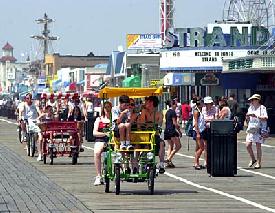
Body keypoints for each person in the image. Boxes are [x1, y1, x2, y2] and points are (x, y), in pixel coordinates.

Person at [139, 96, 165, 173]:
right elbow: (143, 122)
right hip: (145, 135)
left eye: (147, 102)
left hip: (154, 134)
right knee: (146, 145)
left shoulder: (159, 113)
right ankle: (144, 162)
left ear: (151, 103)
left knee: (161, 143)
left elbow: (159, 124)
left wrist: (153, 125)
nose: (145, 103)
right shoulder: (144, 111)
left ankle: (161, 164)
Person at [245, 94, 268, 169]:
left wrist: (256, 116)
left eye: (253, 100)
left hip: (259, 128)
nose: (251, 101)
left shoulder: (262, 108)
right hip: (251, 128)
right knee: (248, 145)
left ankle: (258, 163)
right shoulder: (250, 107)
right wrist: (247, 117)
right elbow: (248, 118)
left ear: (257, 100)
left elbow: (265, 118)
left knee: (258, 145)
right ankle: (253, 159)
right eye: (251, 100)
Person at [93, 101, 112, 186]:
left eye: (109, 107)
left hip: (112, 140)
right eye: (106, 107)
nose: (107, 109)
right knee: (97, 152)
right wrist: (105, 134)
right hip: (101, 139)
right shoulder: (99, 119)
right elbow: (94, 132)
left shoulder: (115, 118)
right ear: (103, 109)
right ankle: (98, 176)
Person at [18, 93, 41, 160]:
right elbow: (21, 110)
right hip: (27, 119)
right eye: (27, 98)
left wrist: (40, 115)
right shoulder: (24, 104)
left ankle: (35, 144)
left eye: (30, 98)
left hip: (34, 120)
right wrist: (20, 116)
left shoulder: (34, 104)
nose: (29, 100)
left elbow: (38, 110)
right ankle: (24, 133)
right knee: (23, 122)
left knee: (36, 133)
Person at [164, 99, 182, 168]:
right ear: (172, 104)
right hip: (171, 130)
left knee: (170, 146)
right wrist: (179, 131)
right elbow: (175, 123)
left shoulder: (167, 112)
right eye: (175, 104)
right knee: (178, 146)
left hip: (167, 130)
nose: (176, 105)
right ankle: (169, 158)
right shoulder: (173, 112)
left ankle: (169, 162)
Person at [201, 96, 218, 168]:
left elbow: (216, 119)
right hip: (205, 129)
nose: (208, 104)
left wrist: (209, 120)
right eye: (207, 103)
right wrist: (210, 120)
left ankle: (214, 160)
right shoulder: (203, 109)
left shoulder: (215, 108)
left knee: (213, 145)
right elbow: (203, 120)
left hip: (213, 128)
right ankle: (206, 161)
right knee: (205, 146)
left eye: (210, 103)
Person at [192, 98, 206, 170]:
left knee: (198, 147)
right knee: (202, 147)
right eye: (202, 102)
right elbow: (196, 123)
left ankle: (196, 163)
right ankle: (196, 163)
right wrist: (198, 133)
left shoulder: (199, 110)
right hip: (198, 131)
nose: (203, 104)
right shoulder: (196, 111)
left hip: (201, 130)